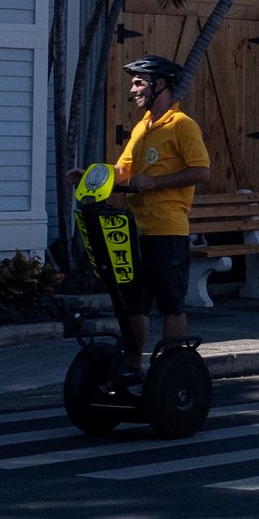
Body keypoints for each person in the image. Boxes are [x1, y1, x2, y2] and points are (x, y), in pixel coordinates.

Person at [69, 55, 210, 382]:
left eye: (139, 82)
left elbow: (201, 171)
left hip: (167, 229)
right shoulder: (142, 127)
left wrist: (156, 182)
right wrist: (89, 175)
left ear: (160, 83)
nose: (133, 90)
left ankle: (174, 370)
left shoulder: (182, 125)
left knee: (170, 302)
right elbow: (123, 172)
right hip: (136, 229)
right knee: (134, 301)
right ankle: (132, 368)